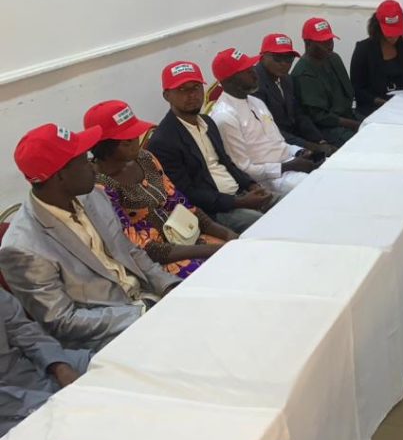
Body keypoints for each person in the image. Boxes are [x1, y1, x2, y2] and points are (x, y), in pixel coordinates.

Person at [0, 124, 180, 350]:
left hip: (150, 302)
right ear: (60, 176)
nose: (93, 168)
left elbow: (130, 252)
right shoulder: (22, 247)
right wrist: (143, 311)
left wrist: (169, 286)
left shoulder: (93, 195)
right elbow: (62, 322)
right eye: (84, 161)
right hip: (107, 337)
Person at [85, 99, 237, 279]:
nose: (136, 143)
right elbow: (140, 248)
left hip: (187, 235)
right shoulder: (99, 188)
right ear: (104, 147)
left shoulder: (145, 158)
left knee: (238, 254)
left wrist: (225, 233)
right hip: (160, 261)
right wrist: (208, 250)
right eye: (127, 141)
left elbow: (180, 203)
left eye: (135, 135)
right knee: (219, 273)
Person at [147, 61, 272, 234]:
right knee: (267, 224)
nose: (192, 95)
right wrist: (238, 202)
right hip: (214, 211)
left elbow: (227, 163)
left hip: (240, 194)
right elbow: (186, 193)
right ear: (167, 95)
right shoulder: (163, 141)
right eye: (182, 90)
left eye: (196, 87)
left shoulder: (207, 122)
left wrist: (251, 185)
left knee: (288, 203)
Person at [208, 47, 317, 196]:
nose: (255, 73)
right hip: (270, 180)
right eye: (247, 71)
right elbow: (244, 169)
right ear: (229, 80)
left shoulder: (256, 102)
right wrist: (288, 166)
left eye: (252, 67)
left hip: (290, 163)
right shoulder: (224, 117)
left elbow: (278, 143)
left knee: (335, 168)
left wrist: (299, 151)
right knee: (320, 187)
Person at [0, 290, 91, 435]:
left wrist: (59, 366)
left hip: (31, 366)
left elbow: (22, 330)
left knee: (112, 366)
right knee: (77, 425)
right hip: (7, 406)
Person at [253, 33, 338, 154]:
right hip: (272, 146)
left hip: (295, 138)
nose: (284, 63)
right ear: (262, 57)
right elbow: (269, 130)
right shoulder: (254, 84)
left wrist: (320, 141)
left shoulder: (286, 78)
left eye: (289, 59)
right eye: (277, 58)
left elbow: (299, 115)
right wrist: (311, 146)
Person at [291, 17, 361, 145]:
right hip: (326, 128)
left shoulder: (334, 58)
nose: (329, 46)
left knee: (379, 126)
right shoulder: (303, 73)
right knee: (362, 142)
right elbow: (319, 117)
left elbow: (348, 93)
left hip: (348, 116)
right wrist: (356, 125)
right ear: (308, 44)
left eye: (330, 40)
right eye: (323, 42)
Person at [350, 0, 403, 114]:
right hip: (372, 109)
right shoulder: (363, 49)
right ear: (377, 27)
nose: (393, 37)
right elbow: (357, 90)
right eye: (388, 33)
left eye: (396, 31)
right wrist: (381, 102)